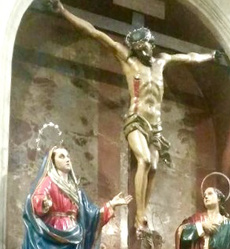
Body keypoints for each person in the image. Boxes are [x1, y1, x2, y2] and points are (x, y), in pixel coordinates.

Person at [47, 0, 218, 230]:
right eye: (143, 46)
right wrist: (64, 12)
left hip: (155, 126)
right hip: (136, 120)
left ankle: (143, 211)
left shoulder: (162, 61)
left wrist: (210, 56)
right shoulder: (128, 60)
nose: (148, 48)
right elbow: (95, 33)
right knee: (145, 160)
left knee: (154, 167)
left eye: (149, 44)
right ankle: (139, 215)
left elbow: (188, 57)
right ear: (136, 47)